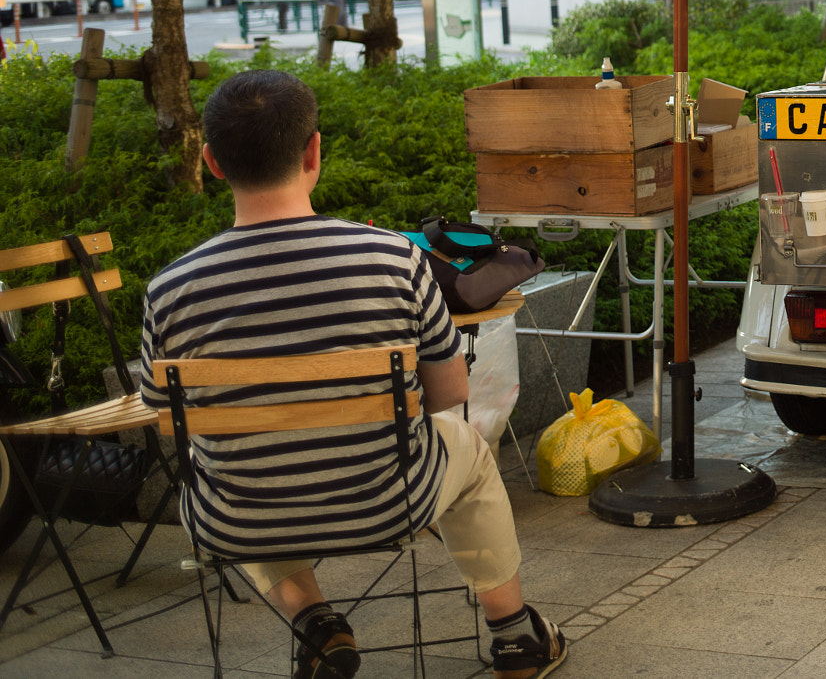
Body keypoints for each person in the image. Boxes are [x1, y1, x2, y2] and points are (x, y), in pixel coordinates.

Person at [140, 71, 568, 679]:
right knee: (468, 449)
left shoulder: (169, 291)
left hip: (240, 517)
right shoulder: (394, 259)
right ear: (314, 150)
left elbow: (166, 421)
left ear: (211, 162)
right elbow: (449, 394)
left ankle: (316, 624)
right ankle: (515, 634)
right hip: (389, 499)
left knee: (225, 478)